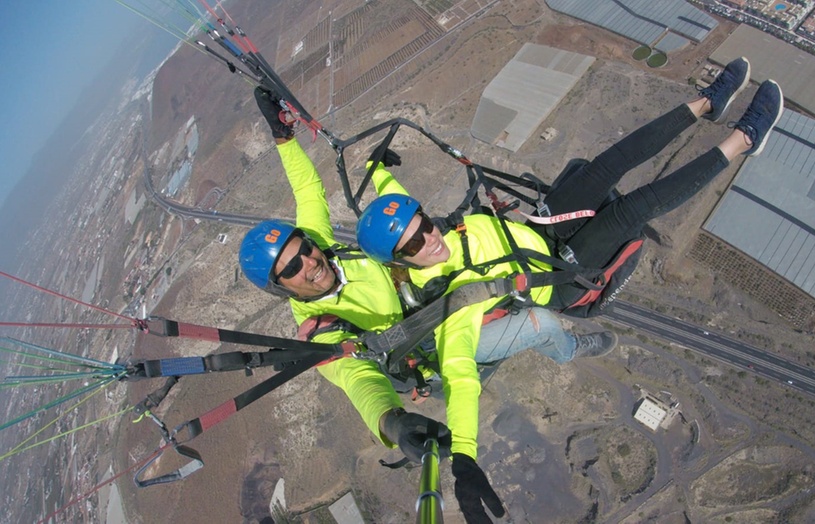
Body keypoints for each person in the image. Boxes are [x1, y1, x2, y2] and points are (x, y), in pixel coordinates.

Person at [239, 87, 614, 523]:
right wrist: (392, 423)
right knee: (544, 324)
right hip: (434, 349)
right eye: (292, 268)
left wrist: (283, 139)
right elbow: (356, 378)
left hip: (436, 296)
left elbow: (308, 192)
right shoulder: (319, 329)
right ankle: (570, 351)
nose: (309, 262)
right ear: (281, 288)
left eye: (302, 249)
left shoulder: (321, 248)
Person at [356, 56, 782, 389]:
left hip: (536, 233)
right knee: (633, 209)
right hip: (555, 281)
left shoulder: (438, 232)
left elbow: (399, 208)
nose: (428, 239)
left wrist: (377, 170)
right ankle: (745, 139)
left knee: (606, 166)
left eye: (424, 225)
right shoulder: (449, 306)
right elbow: (461, 370)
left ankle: (709, 102)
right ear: (401, 262)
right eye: (412, 247)